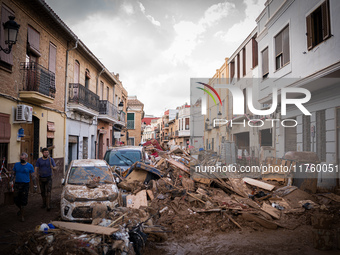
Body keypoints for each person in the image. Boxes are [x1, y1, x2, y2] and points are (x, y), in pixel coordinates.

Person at [10, 152, 37, 222]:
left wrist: (35, 185)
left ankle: (22, 216)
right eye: (21, 158)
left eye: (23, 158)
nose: (22, 159)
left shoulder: (30, 166)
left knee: (23, 200)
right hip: (17, 184)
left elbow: (33, 176)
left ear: (26, 158)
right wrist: (11, 181)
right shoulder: (16, 165)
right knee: (15, 198)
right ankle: (21, 209)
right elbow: (13, 173)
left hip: (25, 184)